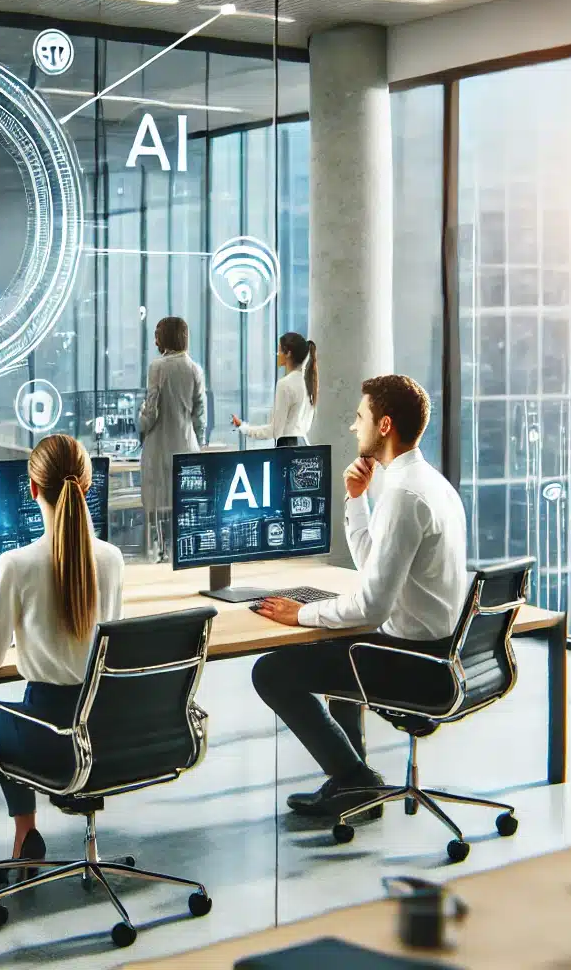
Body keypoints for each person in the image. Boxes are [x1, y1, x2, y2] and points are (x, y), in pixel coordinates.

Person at [250, 375, 468, 818]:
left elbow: (371, 606)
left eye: (360, 417)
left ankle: (354, 779)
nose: (353, 427)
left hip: (414, 663)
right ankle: (354, 778)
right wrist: (355, 500)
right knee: (333, 640)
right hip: (437, 652)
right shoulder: (428, 484)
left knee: (271, 671)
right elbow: (374, 569)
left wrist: (302, 613)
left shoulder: (405, 496)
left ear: (384, 425)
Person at [0, 434, 125, 895]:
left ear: (33, 490)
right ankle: (25, 835)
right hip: (102, 736)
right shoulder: (113, 560)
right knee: (16, 713)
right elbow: (104, 649)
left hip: (50, 744)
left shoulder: (17, 564)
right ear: (87, 485)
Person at [138, 316, 206, 561]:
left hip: (160, 446)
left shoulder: (158, 367)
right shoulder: (194, 368)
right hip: (187, 446)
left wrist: (140, 421)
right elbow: (199, 414)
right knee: (184, 505)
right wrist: (199, 443)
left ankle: (160, 554)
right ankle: (183, 554)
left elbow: (152, 411)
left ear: (165, 337)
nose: (155, 339)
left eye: (157, 334)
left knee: (157, 507)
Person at [232, 332, 317, 446]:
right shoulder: (308, 382)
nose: (277, 354)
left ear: (288, 353)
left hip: (288, 448)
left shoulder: (285, 384)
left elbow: (274, 431)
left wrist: (244, 428)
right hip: (304, 445)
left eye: (280, 350)